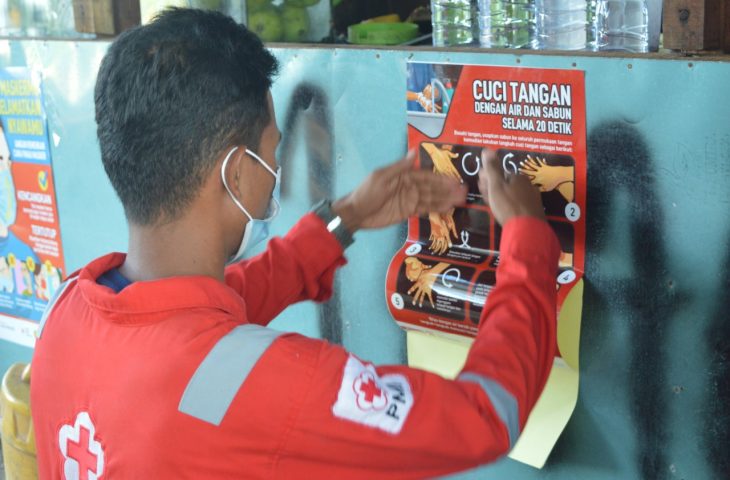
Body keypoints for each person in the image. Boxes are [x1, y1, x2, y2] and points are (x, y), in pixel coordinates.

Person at [30, 8, 559, 480]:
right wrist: (527, 243)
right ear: (237, 175)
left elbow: (214, 314)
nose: (278, 168)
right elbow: (485, 416)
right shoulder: (274, 388)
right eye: (272, 151)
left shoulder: (66, 314)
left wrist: (343, 220)